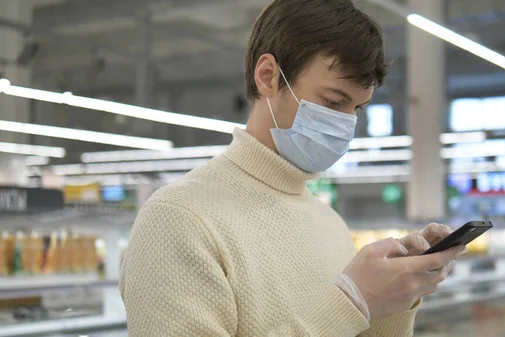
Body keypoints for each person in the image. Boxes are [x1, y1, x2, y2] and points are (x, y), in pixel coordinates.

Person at [119, 0, 464, 336]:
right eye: (332, 101)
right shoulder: (177, 219)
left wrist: (396, 293)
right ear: (268, 76)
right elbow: (340, 316)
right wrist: (350, 301)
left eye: (357, 109)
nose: (346, 124)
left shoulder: (329, 224)